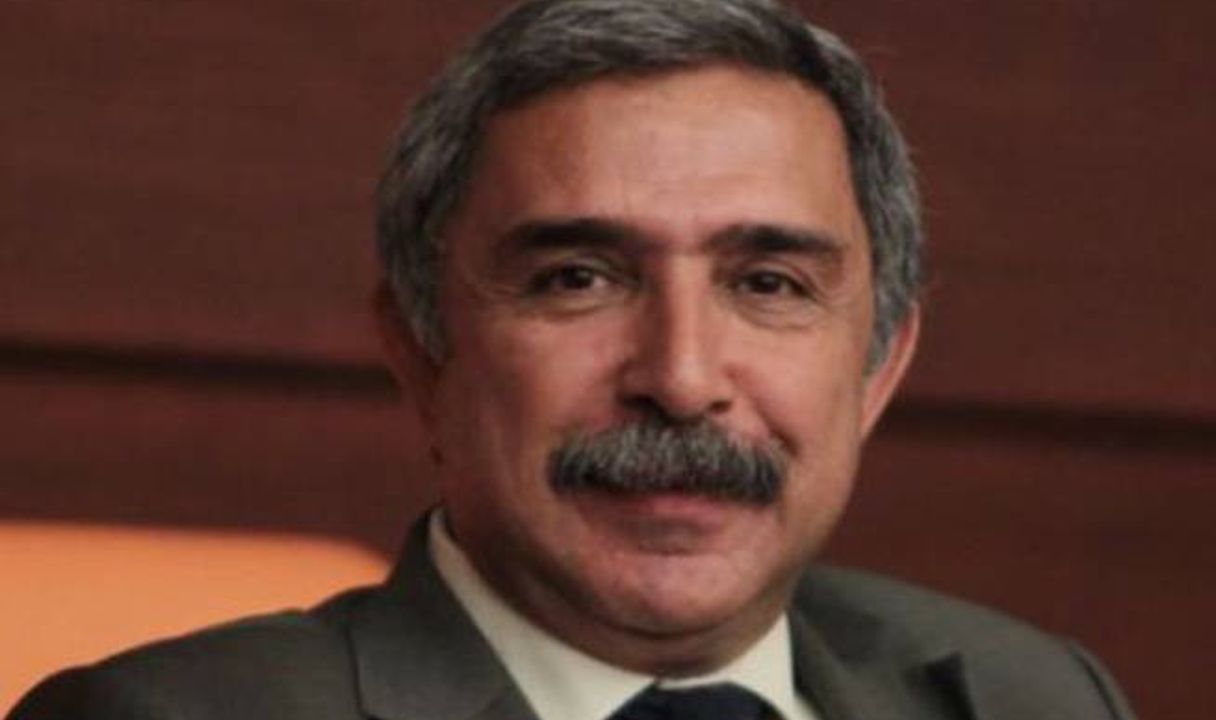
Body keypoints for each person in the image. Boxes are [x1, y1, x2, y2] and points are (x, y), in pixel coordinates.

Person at [9, 1, 1137, 718]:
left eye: (767, 285)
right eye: (578, 279)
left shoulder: (1032, 699)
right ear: (422, 356)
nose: (681, 377)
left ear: (879, 369)